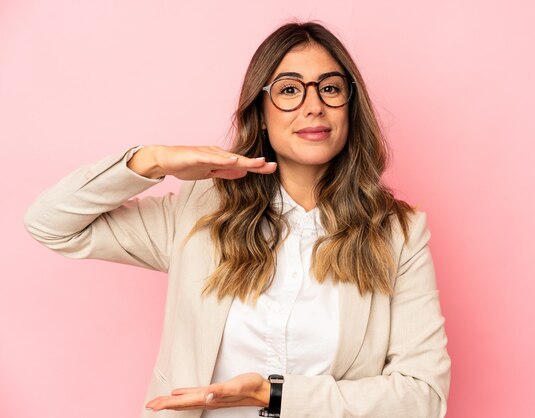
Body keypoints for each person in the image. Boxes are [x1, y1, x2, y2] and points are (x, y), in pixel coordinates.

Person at [24, 21, 451, 418]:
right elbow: (51, 223)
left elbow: (423, 397)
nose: (314, 106)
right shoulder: (200, 214)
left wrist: (273, 395)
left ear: (349, 107)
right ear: (260, 110)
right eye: (289, 90)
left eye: (330, 88)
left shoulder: (399, 234)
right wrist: (153, 161)